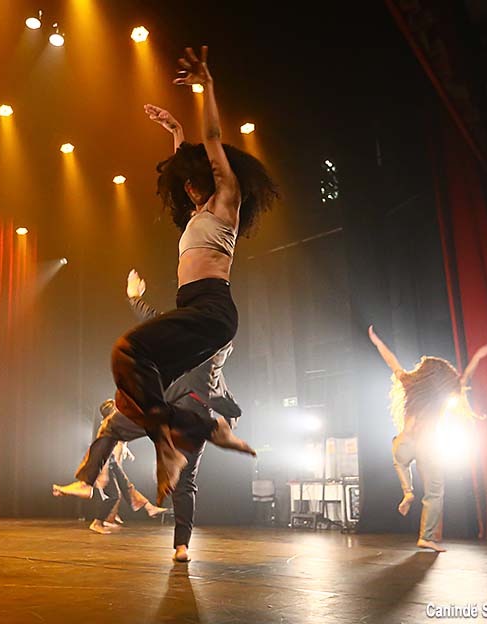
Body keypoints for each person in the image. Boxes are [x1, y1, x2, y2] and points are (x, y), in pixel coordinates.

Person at [111, 45, 278, 501]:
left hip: (213, 308)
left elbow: (211, 136)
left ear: (208, 174)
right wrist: (175, 130)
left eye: (191, 178)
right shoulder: (195, 215)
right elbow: (188, 153)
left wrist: (206, 87)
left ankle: (171, 446)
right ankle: (207, 427)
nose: (186, 188)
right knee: (138, 386)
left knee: (128, 349)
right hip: (197, 312)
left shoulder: (228, 201)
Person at [53, 270, 243, 562]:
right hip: (191, 413)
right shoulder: (218, 351)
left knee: (112, 428)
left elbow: (151, 318)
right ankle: (182, 546)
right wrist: (231, 415)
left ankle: (86, 481)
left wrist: (134, 296)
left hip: (159, 407)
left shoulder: (186, 334)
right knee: (186, 481)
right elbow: (218, 391)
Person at [368, 325, 487, 552]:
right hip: (427, 445)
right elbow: (465, 379)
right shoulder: (444, 393)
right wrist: (476, 358)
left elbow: (391, 360)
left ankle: (407, 492)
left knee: (400, 461)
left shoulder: (410, 384)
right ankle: (426, 537)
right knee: (435, 493)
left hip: (404, 442)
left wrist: (377, 342)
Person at [87, 441, 166, 535]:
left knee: (127, 487)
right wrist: (104, 473)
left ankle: (149, 507)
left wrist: (126, 450)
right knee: (114, 495)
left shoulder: (117, 435)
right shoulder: (110, 431)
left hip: (111, 462)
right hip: (105, 463)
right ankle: (97, 523)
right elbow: (103, 449)